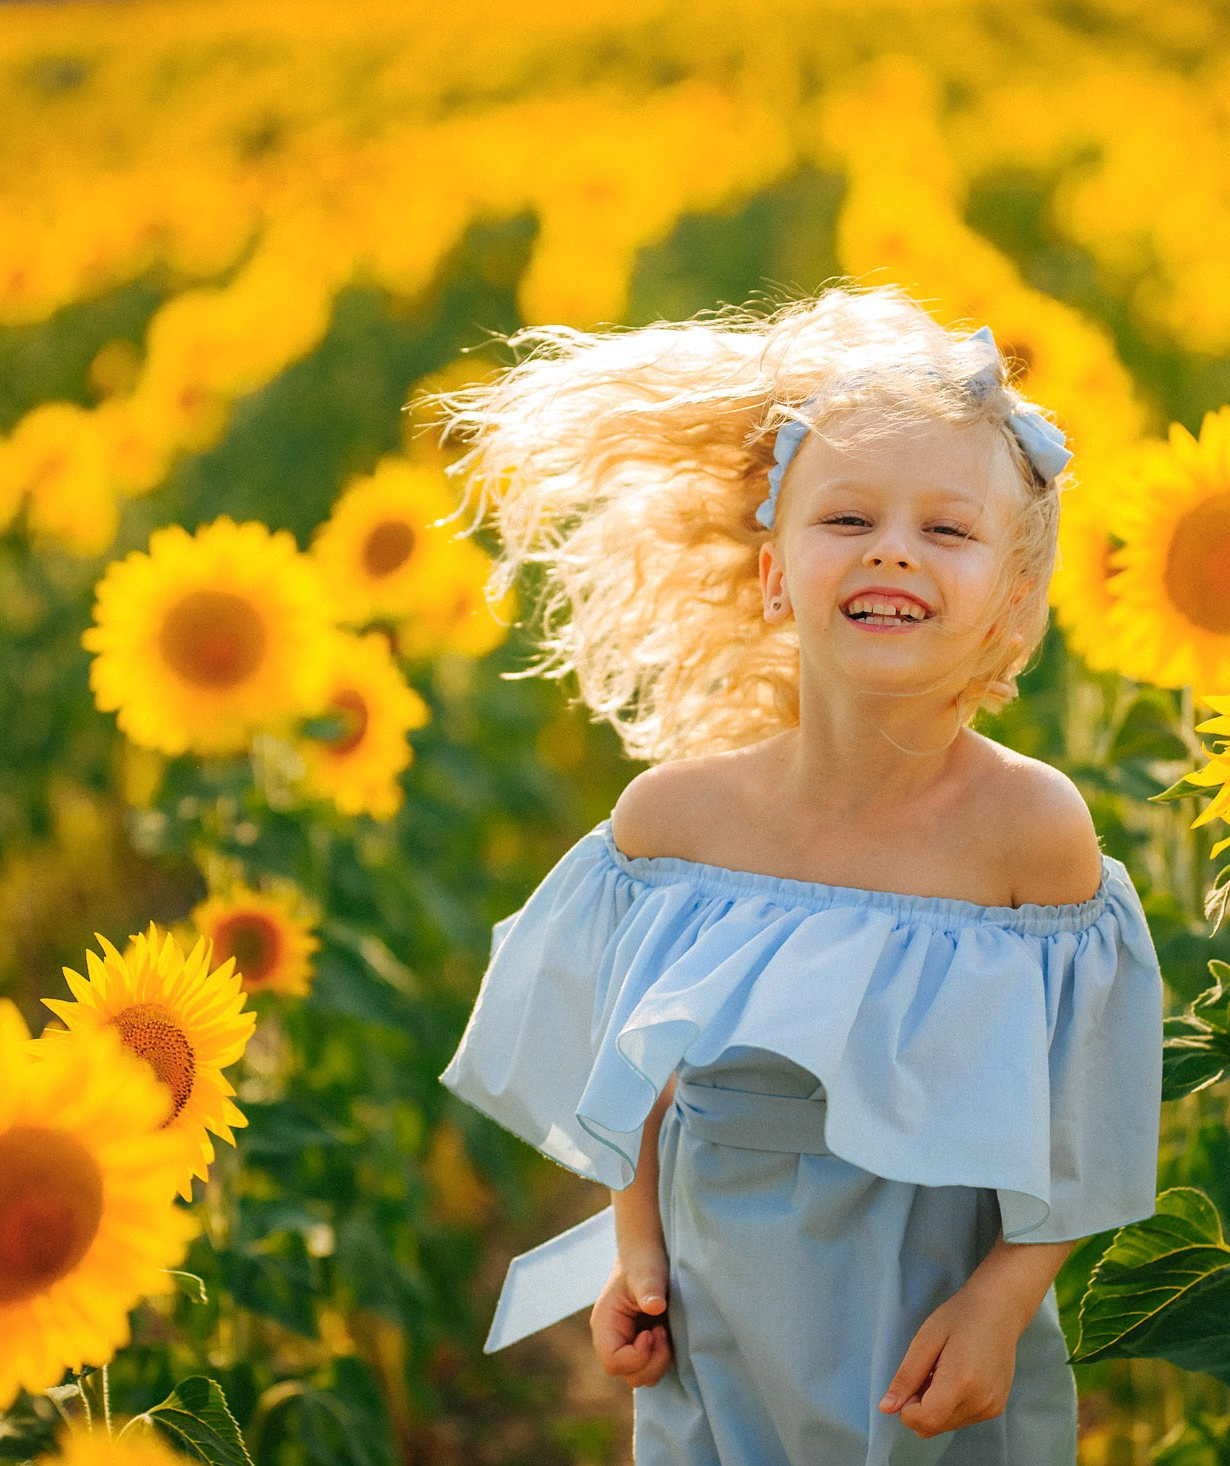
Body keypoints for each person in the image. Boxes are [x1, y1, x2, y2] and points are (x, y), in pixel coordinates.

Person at [430, 283, 1163, 1462]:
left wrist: (1000, 1303)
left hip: (928, 1315)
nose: (892, 547)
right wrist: (636, 1251)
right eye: (849, 518)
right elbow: (639, 1081)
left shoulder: (1030, 833)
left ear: (1011, 604)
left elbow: (1084, 1123)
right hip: (716, 1309)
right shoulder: (678, 823)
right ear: (775, 573)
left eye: (948, 529)